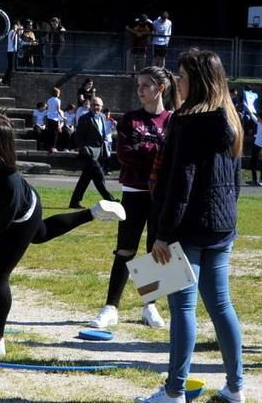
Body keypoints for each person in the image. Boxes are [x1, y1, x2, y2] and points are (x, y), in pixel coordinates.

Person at [0, 113, 125, 355]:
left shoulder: (8, 182)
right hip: (10, 212)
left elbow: (0, 225)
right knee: (42, 234)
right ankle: (94, 212)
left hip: (20, 216)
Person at [137, 50, 244, 403]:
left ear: (197, 80)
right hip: (222, 226)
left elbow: (180, 183)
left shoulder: (188, 121)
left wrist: (163, 235)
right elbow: (236, 181)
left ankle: (174, 391)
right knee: (221, 305)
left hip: (188, 227)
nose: (176, 82)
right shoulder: (231, 117)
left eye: (181, 76)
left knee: (183, 309)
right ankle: (235, 387)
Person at [89, 66, 180, 330]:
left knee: (157, 251)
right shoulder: (130, 119)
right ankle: (111, 307)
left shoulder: (174, 120)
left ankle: (149, 305)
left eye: (146, 86)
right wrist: (155, 152)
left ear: (160, 88)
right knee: (125, 249)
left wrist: (147, 150)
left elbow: (173, 158)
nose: (140, 90)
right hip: (133, 193)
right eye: (138, 85)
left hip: (161, 196)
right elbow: (124, 154)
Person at [69, 96, 117, 208]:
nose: (96, 107)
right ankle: (110, 200)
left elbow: (102, 134)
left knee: (85, 179)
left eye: (98, 105)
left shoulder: (102, 117)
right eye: (94, 104)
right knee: (99, 175)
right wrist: (85, 150)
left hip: (99, 153)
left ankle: (74, 202)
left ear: (101, 106)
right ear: (90, 106)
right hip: (89, 154)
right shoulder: (84, 118)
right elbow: (78, 136)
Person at [246, 112, 262, 186]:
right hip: (256, 145)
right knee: (253, 163)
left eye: (259, 117)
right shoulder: (259, 123)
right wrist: (249, 112)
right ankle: (254, 180)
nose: (258, 118)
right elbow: (253, 117)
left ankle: (261, 180)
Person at [44, 87, 64, 153]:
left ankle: (48, 146)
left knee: (50, 132)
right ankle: (53, 147)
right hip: (55, 118)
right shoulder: (58, 100)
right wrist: (62, 117)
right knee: (55, 134)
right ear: (57, 93)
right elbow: (58, 110)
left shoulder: (49, 100)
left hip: (49, 117)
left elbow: (49, 108)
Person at [2, 21, 21, 85]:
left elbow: (19, 40)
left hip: (14, 51)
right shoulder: (11, 32)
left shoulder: (16, 33)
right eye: (17, 26)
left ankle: (7, 80)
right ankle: (6, 80)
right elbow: (12, 38)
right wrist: (15, 31)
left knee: (12, 66)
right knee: (11, 66)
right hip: (11, 51)